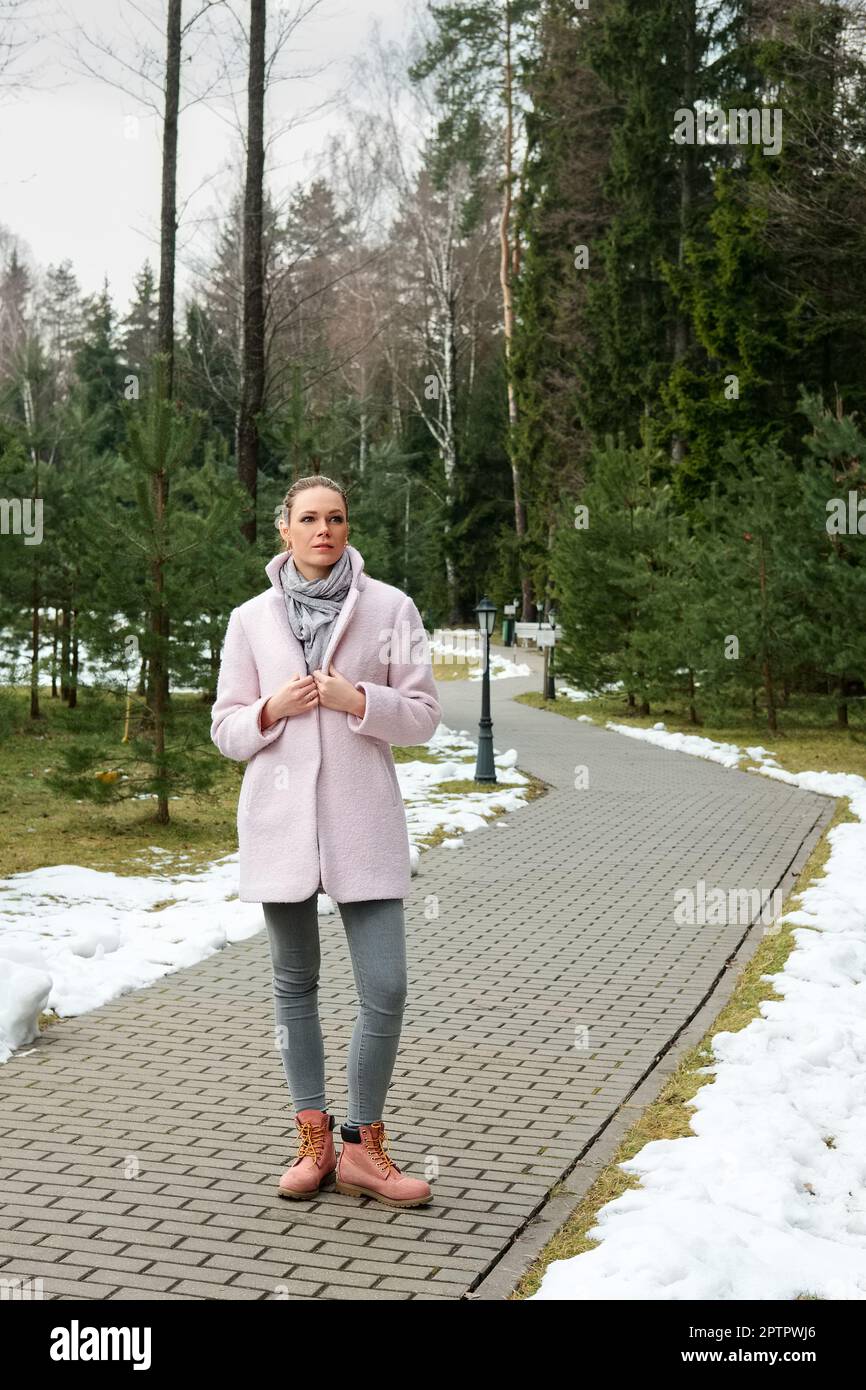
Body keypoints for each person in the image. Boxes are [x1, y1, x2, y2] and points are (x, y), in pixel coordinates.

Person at [210, 476, 441, 1209]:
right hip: (279, 824)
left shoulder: (391, 608)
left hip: (362, 820)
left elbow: (426, 715)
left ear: (348, 526)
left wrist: (361, 701)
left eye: (336, 517)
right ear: (284, 529)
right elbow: (225, 728)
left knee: (387, 986)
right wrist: (272, 708)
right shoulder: (250, 619)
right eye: (308, 518)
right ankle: (312, 1139)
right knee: (294, 985)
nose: (323, 529)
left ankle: (364, 1147)